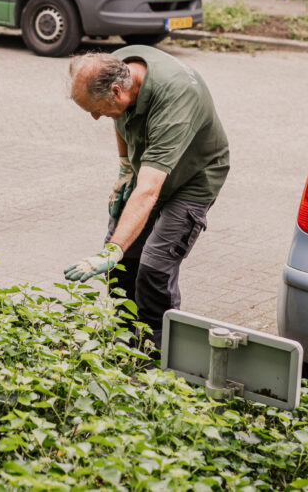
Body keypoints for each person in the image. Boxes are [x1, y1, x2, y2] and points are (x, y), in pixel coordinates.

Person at [64, 46, 229, 349]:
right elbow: (120, 117)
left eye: (95, 109)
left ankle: (158, 359)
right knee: (121, 265)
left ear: (116, 91)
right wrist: (125, 166)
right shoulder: (119, 66)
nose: (96, 117)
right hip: (150, 171)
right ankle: (125, 346)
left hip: (192, 180)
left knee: (153, 270)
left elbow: (150, 190)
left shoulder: (176, 99)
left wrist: (114, 246)